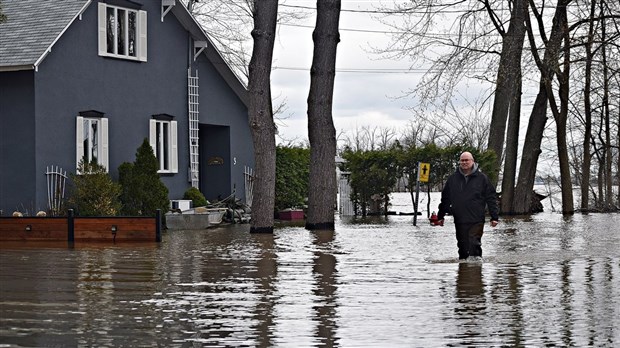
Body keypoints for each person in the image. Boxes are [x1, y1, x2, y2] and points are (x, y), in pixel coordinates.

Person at [437, 151, 499, 260]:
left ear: (472, 161)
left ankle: (476, 271)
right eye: (462, 160)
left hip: (477, 218)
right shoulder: (453, 179)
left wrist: (494, 217)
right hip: (459, 218)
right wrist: (440, 216)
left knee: (474, 243)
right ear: (459, 162)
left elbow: (491, 198)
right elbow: (445, 198)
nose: (464, 162)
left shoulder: (482, 178)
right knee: (462, 247)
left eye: (467, 160)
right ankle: (463, 272)